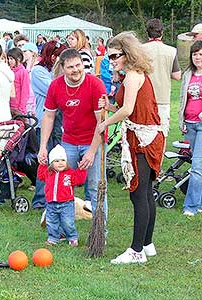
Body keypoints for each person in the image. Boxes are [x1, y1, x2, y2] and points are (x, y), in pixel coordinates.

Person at [97, 32, 164, 264]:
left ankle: (136, 250)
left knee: (139, 193)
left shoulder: (133, 76)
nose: (111, 59)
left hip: (143, 138)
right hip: (144, 135)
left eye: (115, 55)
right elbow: (125, 105)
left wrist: (105, 122)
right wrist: (110, 103)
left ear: (127, 53)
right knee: (145, 192)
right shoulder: (132, 76)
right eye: (109, 56)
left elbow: (127, 111)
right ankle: (147, 244)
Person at [37, 48, 107, 220]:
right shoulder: (56, 86)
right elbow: (48, 116)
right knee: (61, 181)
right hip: (69, 141)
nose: (75, 70)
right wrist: (43, 147)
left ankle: (99, 231)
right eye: (70, 67)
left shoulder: (95, 84)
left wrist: (91, 152)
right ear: (63, 68)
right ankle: (62, 226)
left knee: (95, 186)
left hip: (93, 141)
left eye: (78, 65)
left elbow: (102, 122)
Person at [31, 41, 68, 209]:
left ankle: (56, 194)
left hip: (59, 122)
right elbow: (55, 90)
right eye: (60, 57)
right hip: (43, 123)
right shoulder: (38, 71)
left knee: (58, 160)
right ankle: (40, 199)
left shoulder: (51, 73)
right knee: (44, 160)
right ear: (53, 56)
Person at [38, 144, 87, 246]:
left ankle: (72, 237)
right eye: (56, 161)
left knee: (68, 222)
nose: (60, 163)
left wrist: (81, 170)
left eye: (62, 160)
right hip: (51, 203)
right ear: (51, 163)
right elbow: (40, 175)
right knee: (51, 223)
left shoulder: (70, 173)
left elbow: (79, 180)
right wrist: (42, 164)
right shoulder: (48, 173)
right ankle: (53, 238)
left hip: (66, 203)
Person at [143, 18, 181, 139]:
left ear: (147, 32)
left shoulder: (140, 50)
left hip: (144, 99)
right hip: (163, 100)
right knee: (161, 135)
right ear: (162, 32)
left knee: (143, 136)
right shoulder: (171, 51)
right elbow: (177, 75)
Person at [178, 40, 202, 216]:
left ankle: (191, 207)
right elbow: (182, 98)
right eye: (195, 54)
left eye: (201, 54)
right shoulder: (188, 74)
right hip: (190, 123)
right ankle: (199, 202)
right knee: (199, 165)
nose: (198, 57)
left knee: (196, 166)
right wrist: (182, 120)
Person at [7, 47, 30, 116]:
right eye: (8, 59)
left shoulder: (23, 72)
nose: (9, 61)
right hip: (9, 104)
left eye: (11, 59)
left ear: (18, 59)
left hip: (17, 107)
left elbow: (25, 92)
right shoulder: (9, 71)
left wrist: (21, 109)